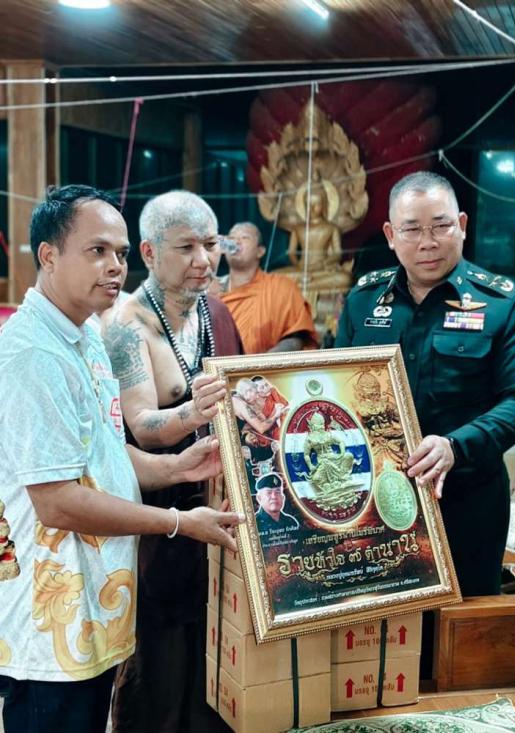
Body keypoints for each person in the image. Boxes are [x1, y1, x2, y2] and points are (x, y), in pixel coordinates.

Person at [0, 185, 243, 733]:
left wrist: (177, 468)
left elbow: (107, 455)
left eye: (120, 253)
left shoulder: (85, 334)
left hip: (95, 602)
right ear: (48, 256)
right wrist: (178, 521)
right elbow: (57, 501)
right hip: (49, 625)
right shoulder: (32, 353)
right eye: (97, 251)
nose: (115, 266)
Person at [335, 171, 515, 598]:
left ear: (462, 225)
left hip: (467, 501)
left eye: (441, 226)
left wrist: (455, 446)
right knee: (379, 621)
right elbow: (336, 385)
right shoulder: (363, 301)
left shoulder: (503, 304)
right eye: (412, 229)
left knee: (459, 623)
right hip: (373, 502)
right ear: (391, 235)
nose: (428, 242)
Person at [101, 190, 241, 733]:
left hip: (219, 505)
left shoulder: (216, 312)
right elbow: (140, 423)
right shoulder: (127, 326)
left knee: (214, 663)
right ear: (149, 252)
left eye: (210, 244)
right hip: (159, 515)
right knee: (161, 666)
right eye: (186, 248)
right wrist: (192, 412)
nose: (203, 260)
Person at [217, 221, 318, 353]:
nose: (236, 242)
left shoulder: (281, 287)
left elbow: (296, 338)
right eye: (232, 238)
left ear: (260, 251)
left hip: (266, 365)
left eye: (244, 238)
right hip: (219, 365)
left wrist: (262, 362)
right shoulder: (211, 290)